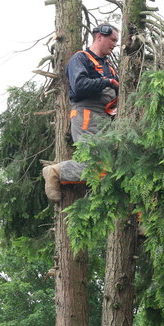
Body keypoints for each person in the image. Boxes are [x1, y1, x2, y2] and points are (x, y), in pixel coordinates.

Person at [42, 23, 120, 201]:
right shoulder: (81, 59)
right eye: (113, 39)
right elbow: (79, 86)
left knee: (112, 165)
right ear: (100, 36)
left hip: (105, 117)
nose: (115, 44)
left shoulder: (109, 65)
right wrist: (107, 82)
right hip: (87, 114)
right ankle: (55, 172)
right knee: (96, 165)